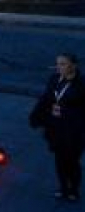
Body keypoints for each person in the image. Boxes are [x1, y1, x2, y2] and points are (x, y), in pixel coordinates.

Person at [30, 53, 85, 202]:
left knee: (72, 161)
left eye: (63, 64)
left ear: (73, 65)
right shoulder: (54, 80)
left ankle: (74, 189)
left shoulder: (81, 85)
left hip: (74, 130)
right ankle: (63, 187)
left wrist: (63, 110)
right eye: (58, 64)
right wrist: (36, 116)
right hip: (57, 128)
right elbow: (46, 98)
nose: (58, 67)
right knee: (59, 159)